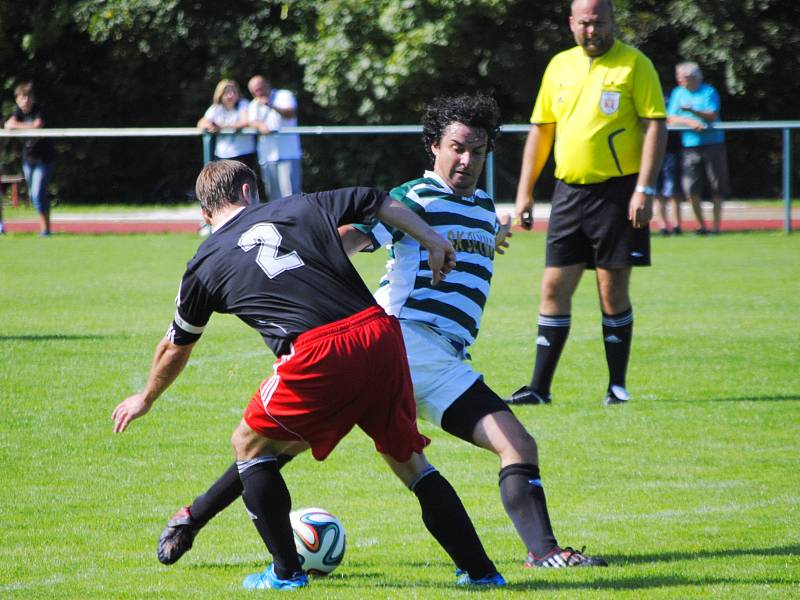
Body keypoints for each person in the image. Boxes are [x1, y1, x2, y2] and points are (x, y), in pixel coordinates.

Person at [155, 96, 607, 571]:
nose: (466, 160)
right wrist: (307, 265)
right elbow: (358, 234)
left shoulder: (482, 207)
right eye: (457, 148)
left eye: (477, 150)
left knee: (278, 447)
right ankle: (542, 555)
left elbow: (466, 237)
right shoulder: (415, 196)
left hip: (437, 354)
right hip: (406, 342)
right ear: (434, 146)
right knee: (501, 446)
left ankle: (192, 517)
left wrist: (488, 237)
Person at [111, 159, 506, 590]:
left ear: (205, 213)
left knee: (248, 445)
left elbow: (175, 345)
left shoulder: (203, 264)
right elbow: (377, 199)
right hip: (380, 335)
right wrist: (432, 239)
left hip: (318, 352)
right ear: (249, 192)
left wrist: (146, 396)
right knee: (411, 464)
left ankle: (285, 574)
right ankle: (482, 572)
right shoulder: (299, 206)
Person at [509, 0, 667, 407]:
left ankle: (617, 387)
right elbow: (541, 131)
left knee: (611, 291)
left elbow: (655, 126)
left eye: (599, 23)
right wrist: (525, 191)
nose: (592, 31)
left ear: (612, 22)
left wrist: (644, 189)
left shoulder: (635, 64)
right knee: (552, 287)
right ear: (571, 24)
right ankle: (539, 389)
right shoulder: (559, 65)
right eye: (584, 24)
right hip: (568, 193)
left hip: (618, 193)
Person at [667, 62, 729, 234]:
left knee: (716, 187)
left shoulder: (709, 91)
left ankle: (716, 228)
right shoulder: (678, 93)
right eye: (678, 78)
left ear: (694, 77)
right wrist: (688, 121)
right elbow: (670, 118)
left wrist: (693, 111)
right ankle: (701, 226)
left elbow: (712, 115)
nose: (680, 81)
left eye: (683, 78)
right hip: (689, 146)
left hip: (713, 144)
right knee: (690, 188)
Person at [4, 82, 56, 236]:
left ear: (32, 98)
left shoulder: (39, 110)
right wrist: (26, 125)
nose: (25, 101)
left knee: (36, 193)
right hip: (29, 160)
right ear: (17, 100)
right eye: (21, 98)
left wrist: (19, 126)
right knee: (37, 196)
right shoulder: (18, 112)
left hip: (44, 159)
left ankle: (45, 230)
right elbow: (8, 124)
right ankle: (46, 229)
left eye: (27, 97)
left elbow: (37, 125)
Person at [247, 75, 302, 201]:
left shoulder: (284, 95)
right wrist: (260, 125)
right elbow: (251, 121)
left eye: (261, 88)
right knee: (273, 197)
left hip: (289, 153)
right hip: (267, 156)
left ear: (267, 84)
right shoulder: (253, 105)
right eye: (255, 91)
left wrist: (270, 104)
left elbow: (290, 113)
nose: (259, 92)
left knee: (292, 196)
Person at [197, 79, 257, 171]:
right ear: (220, 94)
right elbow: (201, 123)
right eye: (227, 92)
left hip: (244, 154)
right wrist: (210, 126)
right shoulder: (216, 108)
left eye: (233, 91)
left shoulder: (243, 104)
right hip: (222, 155)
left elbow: (245, 122)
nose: (230, 95)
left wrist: (221, 127)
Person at [655, 94, 685, 236]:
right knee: (656, 192)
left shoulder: (671, 100)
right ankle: (662, 226)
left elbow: (673, 119)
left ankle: (677, 225)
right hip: (652, 153)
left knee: (673, 190)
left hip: (671, 151)